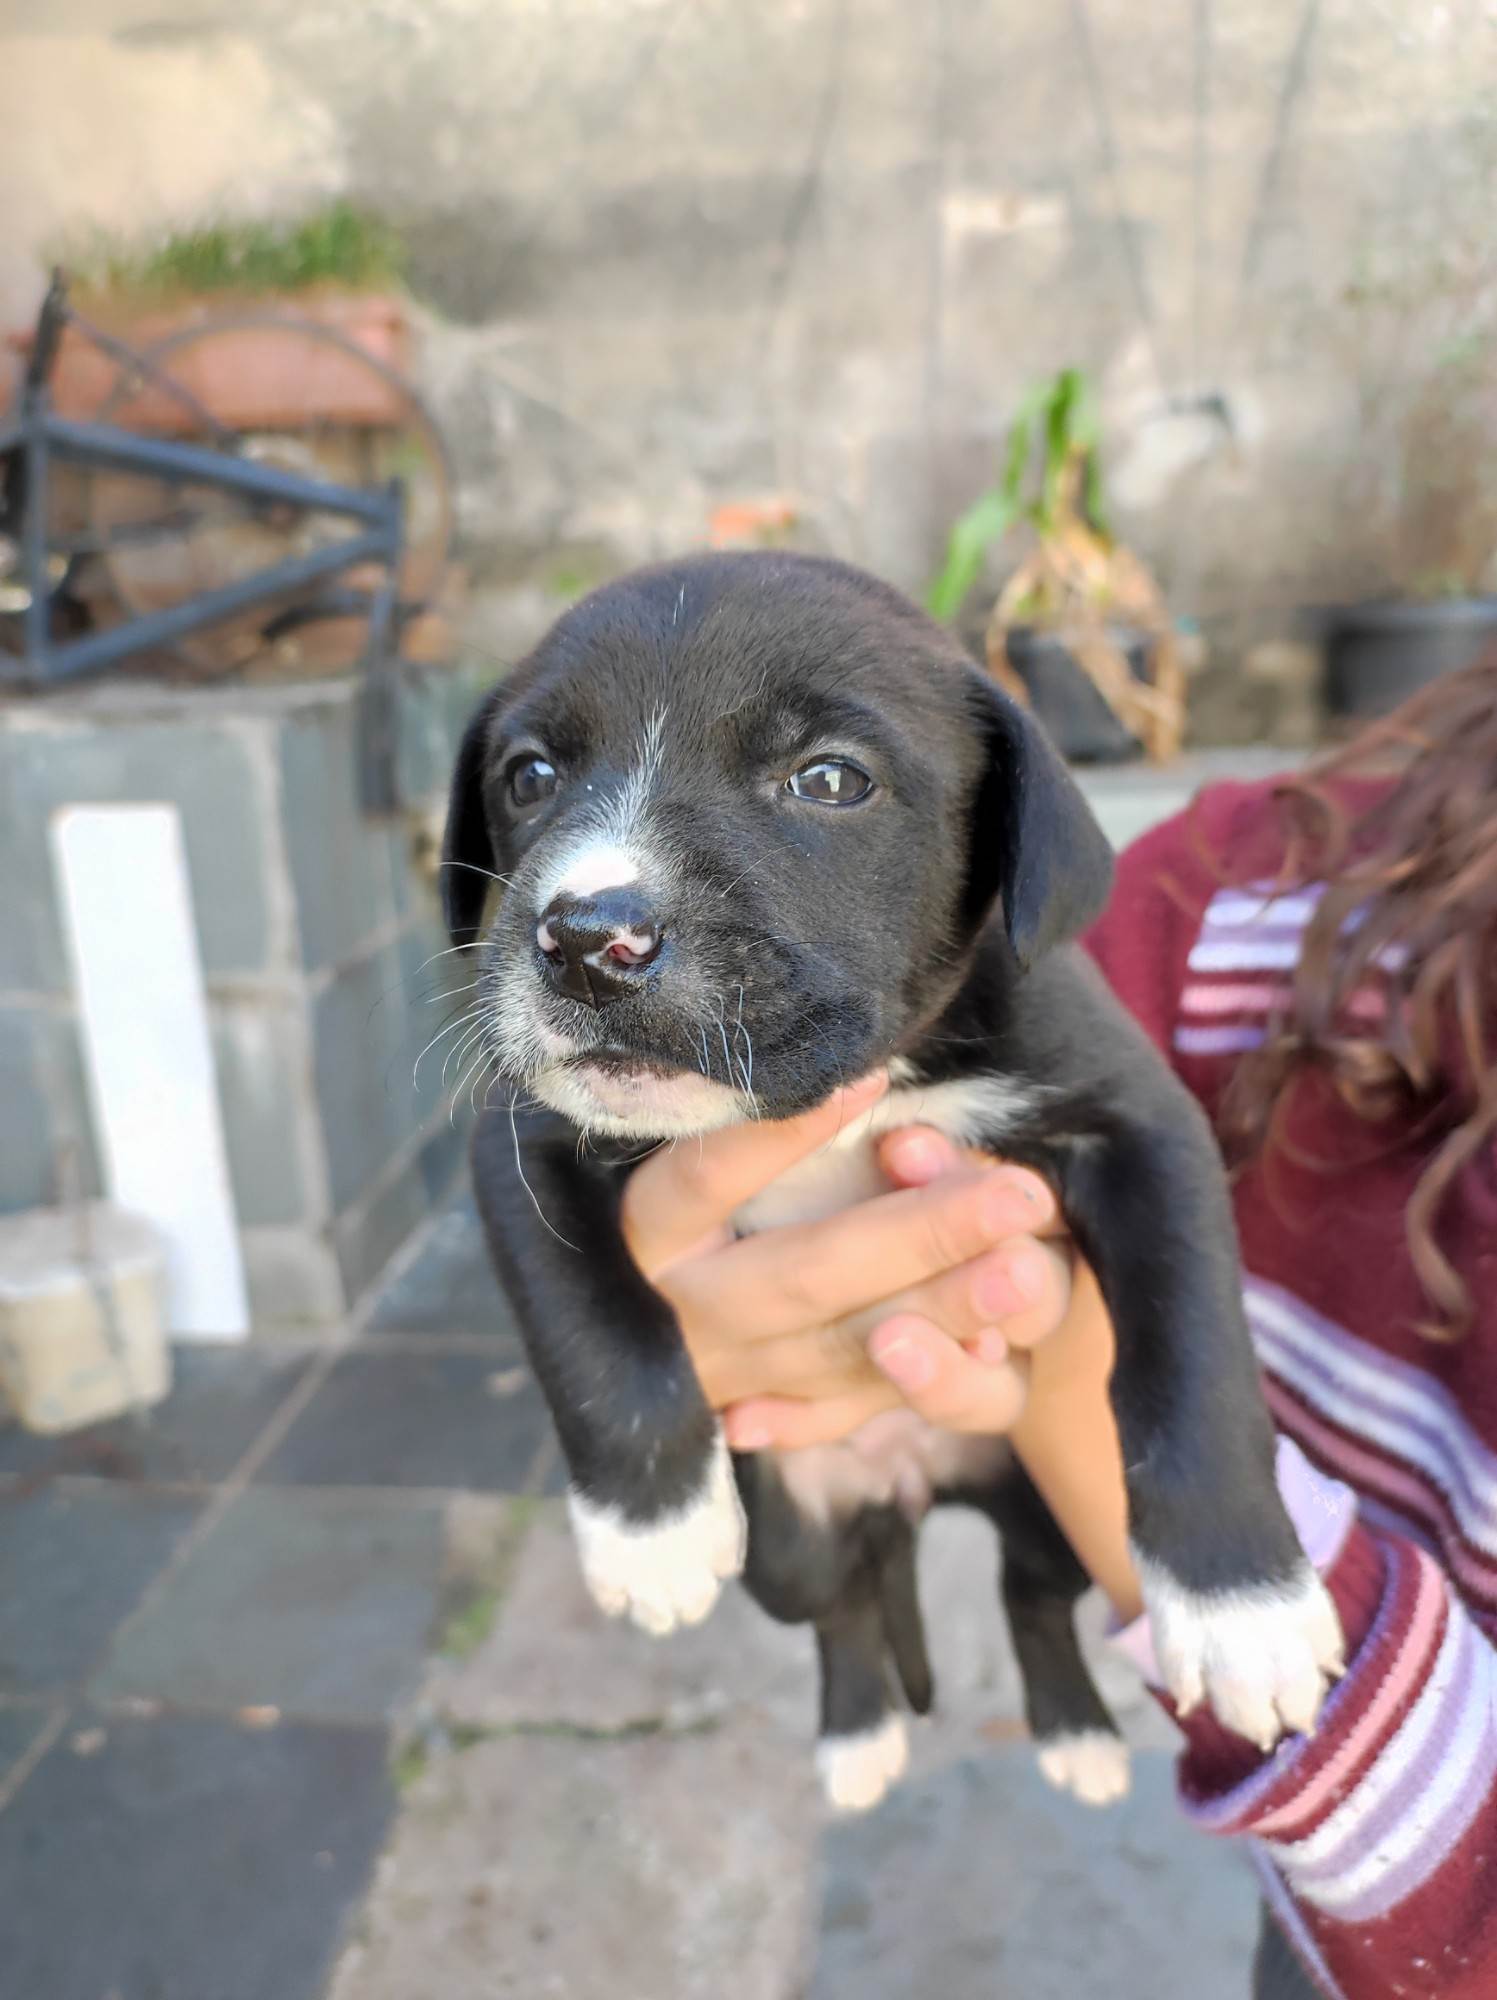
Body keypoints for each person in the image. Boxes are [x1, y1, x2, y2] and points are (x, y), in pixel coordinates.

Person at [618, 658, 1497, 2000]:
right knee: (804, 1550)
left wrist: (1082, 1388)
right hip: (1307, 1862)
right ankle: (866, 1669)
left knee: (1034, 1562)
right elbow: (1041, 1054)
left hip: (1382, 1863)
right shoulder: (1248, 882)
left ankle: (1047, 1674)